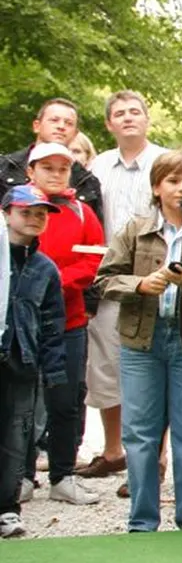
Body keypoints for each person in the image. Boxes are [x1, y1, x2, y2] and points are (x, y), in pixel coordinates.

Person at [95, 151, 182, 532]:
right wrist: (141, 284)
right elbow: (104, 280)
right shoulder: (135, 229)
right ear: (157, 187)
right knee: (140, 433)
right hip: (140, 341)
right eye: (173, 181)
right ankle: (142, 520)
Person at [80, 91, 169, 482]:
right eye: (120, 113)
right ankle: (114, 450)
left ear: (147, 119)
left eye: (135, 112)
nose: (128, 118)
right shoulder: (97, 166)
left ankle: (154, 458)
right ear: (109, 123)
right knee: (105, 364)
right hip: (110, 275)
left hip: (156, 274)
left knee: (154, 363)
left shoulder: (164, 161)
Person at [21, 143, 103, 505]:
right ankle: (20, 476)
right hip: (23, 325)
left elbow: (95, 259)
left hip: (69, 321)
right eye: (47, 168)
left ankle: (63, 475)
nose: (56, 175)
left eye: (63, 169)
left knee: (66, 400)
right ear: (31, 171)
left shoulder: (82, 212)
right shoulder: (17, 208)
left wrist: (54, 282)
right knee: (22, 403)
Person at [0, 186, 68, 538]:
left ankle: (7, 509)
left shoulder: (46, 269)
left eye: (40, 214)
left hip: (22, 362)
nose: (34, 219)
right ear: (6, 213)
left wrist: (54, 371)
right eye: (25, 212)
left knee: (16, 440)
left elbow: (52, 325)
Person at [0, 98, 104, 231]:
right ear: (37, 126)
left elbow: (94, 235)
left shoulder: (88, 182)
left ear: (75, 134)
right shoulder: (5, 167)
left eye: (69, 123)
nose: (61, 126)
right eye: (54, 120)